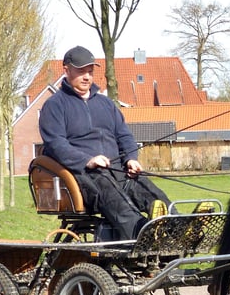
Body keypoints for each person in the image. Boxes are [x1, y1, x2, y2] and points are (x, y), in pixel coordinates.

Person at [38, 45, 170, 240]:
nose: (87, 77)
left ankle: (178, 227)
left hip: (118, 171)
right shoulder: (55, 106)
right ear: (66, 70)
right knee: (117, 201)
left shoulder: (106, 103)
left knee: (150, 191)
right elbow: (56, 145)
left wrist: (131, 159)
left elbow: (124, 136)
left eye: (90, 72)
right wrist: (88, 160)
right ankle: (145, 235)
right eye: (81, 71)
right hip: (84, 176)